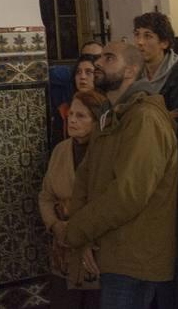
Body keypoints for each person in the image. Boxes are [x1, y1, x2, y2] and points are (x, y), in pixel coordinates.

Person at [64, 41, 177, 307]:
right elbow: (86, 178)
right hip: (112, 248)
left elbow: (128, 194)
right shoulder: (113, 117)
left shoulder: (145, 118)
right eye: (100, 57)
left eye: (109, 58)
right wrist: (86, 237)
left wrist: (78, 230)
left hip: (134, 257)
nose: (98, 64)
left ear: (131, 70)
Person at [132, 11, 178, 309]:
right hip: (147, 177)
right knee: (157, 261)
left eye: (148, 36)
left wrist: (147, 115)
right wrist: (159, 113)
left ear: (164, 42)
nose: (140, 41)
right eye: (137, 35)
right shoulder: (136, 73)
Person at [39, 90, 108, 309]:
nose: (72, 119)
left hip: (97, 252)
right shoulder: (61, 150)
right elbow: (46, 196)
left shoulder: (106, 152)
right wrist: (54, 225)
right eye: (71, 114)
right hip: (64, 252)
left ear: (97, 121)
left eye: (81, 116)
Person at [56, 56, 100, 137]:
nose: (82, 77)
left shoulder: (107, 106)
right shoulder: (64, 109)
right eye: (78, 72)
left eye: (88, 72)